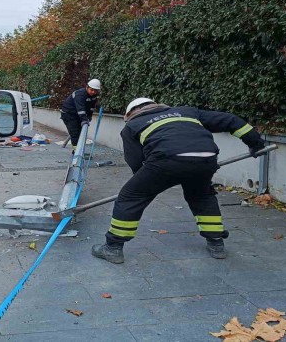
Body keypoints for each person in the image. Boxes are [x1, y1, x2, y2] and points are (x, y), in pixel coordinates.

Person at [91, 97, 266, 264]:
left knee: (130, 197)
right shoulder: (187, 112)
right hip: (206, 159)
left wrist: (147, 184)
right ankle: (216, 244)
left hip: (165, 161)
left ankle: (113, 248)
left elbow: (135, 161)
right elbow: (231, 120)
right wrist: (256, 144)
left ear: (129, 114)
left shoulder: (132, 126)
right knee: (202, 196)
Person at [60, 79, 101, 150]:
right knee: (75, 133)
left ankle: (78, 149)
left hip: (77, 114)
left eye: (95, 91)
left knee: (80, 133)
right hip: (68, 114)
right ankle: (76, 152)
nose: (93, 92)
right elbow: (81, 109)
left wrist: (89, 116)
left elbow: (91, 107)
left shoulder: (94, 95)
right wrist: (84, 119)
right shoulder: (80, 94)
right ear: (87, 87)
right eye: (91, 90)